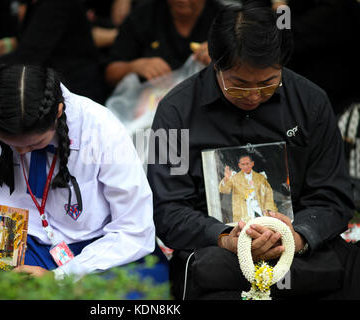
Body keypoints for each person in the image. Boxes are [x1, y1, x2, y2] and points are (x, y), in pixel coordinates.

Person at [147, 2, 360, 299]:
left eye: (268, 84)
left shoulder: (311, 103)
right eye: (238, 85)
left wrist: (297, 236)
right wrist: (223, 237)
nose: (254, 96)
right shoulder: (174, 113)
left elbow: (334, 196)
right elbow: (166, 208)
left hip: (300, 254)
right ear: (214, 63)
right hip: (220, 257)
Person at [0, 64, 155, 279]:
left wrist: (64, 276)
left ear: (58, 112)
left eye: (33, 144)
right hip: (8, 239)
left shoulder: (100, 128)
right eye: (8, 144)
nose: (21, 152)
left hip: (95, 243)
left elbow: (134, 227)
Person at [0, 0, 108, 104]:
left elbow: (26, 57)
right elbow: (32, 38)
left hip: (75, 90)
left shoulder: (56, 4)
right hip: (52, 84)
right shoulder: (34, 4)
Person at [104, 0, 223, 87]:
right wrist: (135, 67)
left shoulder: (224, 19)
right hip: (148, 105)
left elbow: (238, 76)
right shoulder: (144, 15)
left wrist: (221, 59)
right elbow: (110, 73)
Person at [219, 154, 277, 222]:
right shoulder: (235, 178)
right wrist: (226, 178)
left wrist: (270, 209)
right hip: (243, 211)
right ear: (239, 165)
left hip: (259, 208)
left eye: (247, 164)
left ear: (252, 164)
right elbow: (224, 189)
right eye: (243, 164)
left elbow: (268, 194)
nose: (246, 166)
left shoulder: (260, 177)